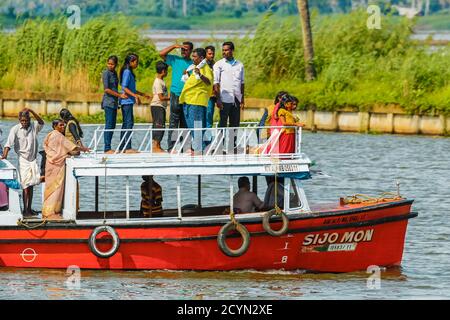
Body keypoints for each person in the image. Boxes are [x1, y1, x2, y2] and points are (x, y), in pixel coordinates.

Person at [42, 119, 89, 220]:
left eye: (63, 125)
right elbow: (71, 147)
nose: (63, 127)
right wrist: (83, 149)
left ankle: (47, 211)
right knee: (56, 188)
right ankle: (51, 213)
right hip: (56, 166)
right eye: (61, 125)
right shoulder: (58, 136)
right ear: (55, 126)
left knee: (49, 188)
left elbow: (49, 147)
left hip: (50, 163)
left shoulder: (50, 135)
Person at [1, 109, 44, 217]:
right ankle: (25, 210)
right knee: (25, 185)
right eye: (22, 121)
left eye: (26, 120)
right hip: (23, 160)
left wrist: (32, 111)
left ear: (29, 119)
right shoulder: (15, 129)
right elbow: (8, 144)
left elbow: (41, 122)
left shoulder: (34, 126)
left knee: (32, 184)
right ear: (19, 120)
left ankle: (29, 208)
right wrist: (4, 156)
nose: (24, 123)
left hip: (33, 160)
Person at [159, 42, 194, 151]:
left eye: (186, 49)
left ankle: (186, 147)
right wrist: (174, 46)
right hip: (176, 94)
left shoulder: (193, 63)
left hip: (187, 95)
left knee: (185, 122)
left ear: (191, 51)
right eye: (182, 49)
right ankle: (172, 147)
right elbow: (161, 54)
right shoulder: (175, 59)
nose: (183, 51)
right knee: (174, 121)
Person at [179, 48, 213, 154]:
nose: (192, 58)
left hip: (197, 101)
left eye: (195, 56)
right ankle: (201, 147)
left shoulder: (205, 67)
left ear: (201, 58)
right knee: (192, 126)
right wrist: (188, 75)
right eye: (192, 56)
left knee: (197, 126)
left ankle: (201, 149)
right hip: (189, 101)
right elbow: (194, 82)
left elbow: (208, 82)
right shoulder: (195, 68)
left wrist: (200, 74)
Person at [119, 53, 151, 153]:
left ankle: (122, 147)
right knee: (128, 123)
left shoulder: (128, 71)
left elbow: (131, 88)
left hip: (128, 101)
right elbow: (124, 87)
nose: (137, 64)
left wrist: (142, 94)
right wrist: (135, 96)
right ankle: (127, 148)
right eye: (136, 62)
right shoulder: (127, 71)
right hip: (126, 101)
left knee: (126, 124)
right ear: (131, 62)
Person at [102, 55, 128, 154]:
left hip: (114, 103)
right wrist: (119, 95)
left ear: (116, 65)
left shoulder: (114, 73)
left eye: (112, 64)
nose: (110, 66)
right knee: (109, 124)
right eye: (108, 63)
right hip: (108, 102)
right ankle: (107, 148)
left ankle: (109, 147)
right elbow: (106, 89)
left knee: (112, 125)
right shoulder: (106, 73)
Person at [150, 61, 170, 153]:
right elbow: (161, 97)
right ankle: (155, 146)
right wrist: (171, 97)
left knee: (161, 125)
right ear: (163, 71)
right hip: (157, 105)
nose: (167, 73)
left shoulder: (161, 81)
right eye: (166, 71)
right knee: (158, 125)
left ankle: (158, 146)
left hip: (161, 106)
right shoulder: (158, 82)